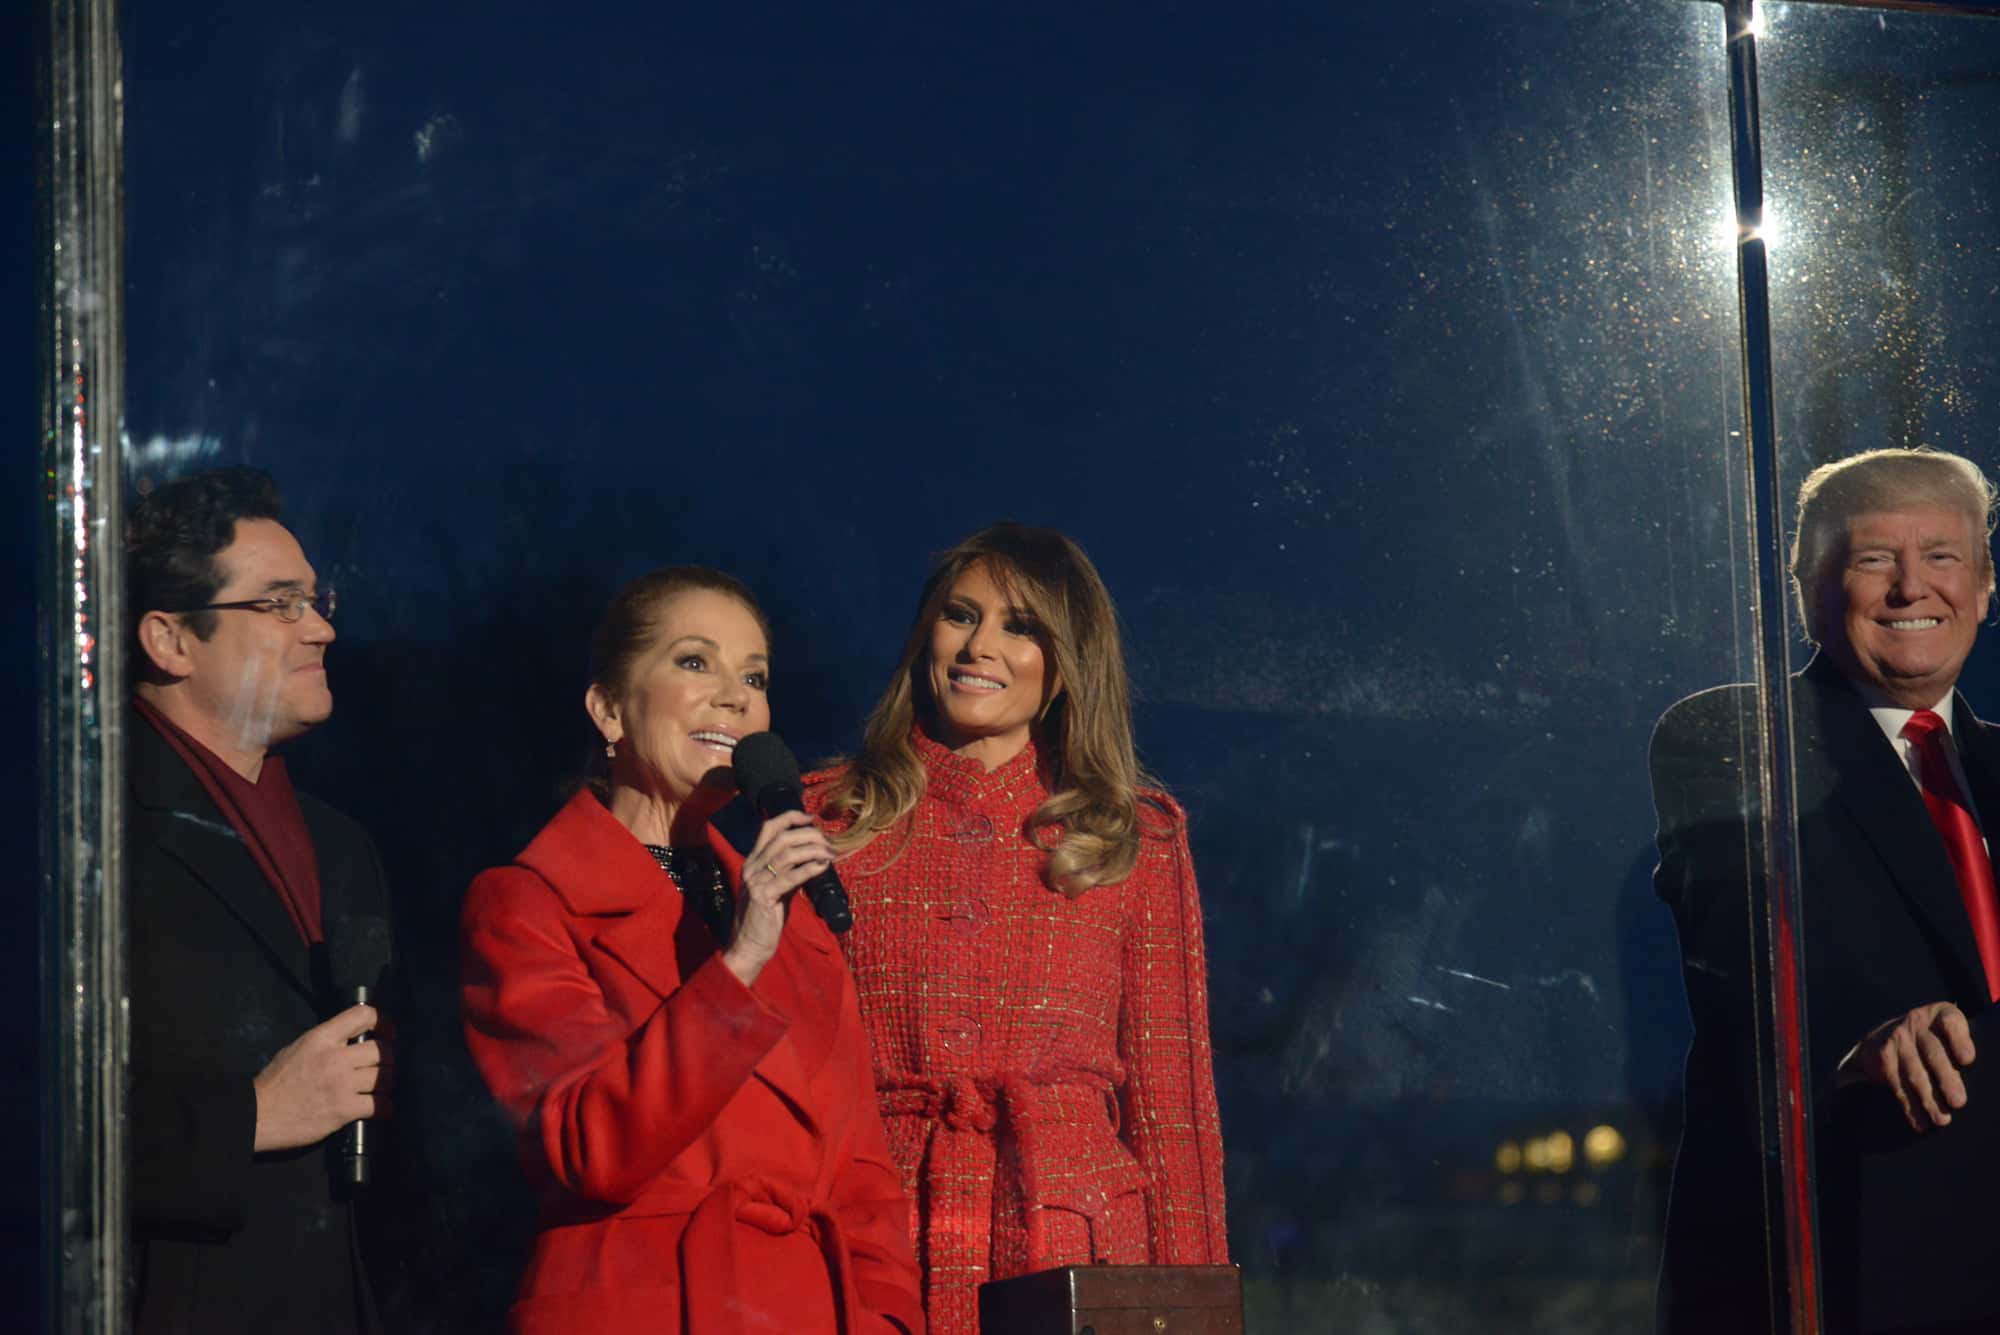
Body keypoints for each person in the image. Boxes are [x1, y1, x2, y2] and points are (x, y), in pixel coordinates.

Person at [460, 566, 924, 1335]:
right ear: (609, 708)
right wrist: (737, 964)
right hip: (645, 1305)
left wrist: (886, 1323)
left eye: (755, 675)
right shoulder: (528, 902)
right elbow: (591, 1145)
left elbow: (865, 1184)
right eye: (694, 661)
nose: (736, 694)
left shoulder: (800, 928)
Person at [809, 523, 1229, 1334]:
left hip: (1077, 1247)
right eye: (960, 614)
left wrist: (1196, 1314)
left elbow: (1172, 1113)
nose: (980, 646)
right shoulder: (831, 818)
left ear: (1069, 662)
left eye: (1021, 625)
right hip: (869, 1243)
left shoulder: (1131, 838)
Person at [1653, 447, 2000, 1333]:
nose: (1911, 587)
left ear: (1986, 586)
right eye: (1875, 557)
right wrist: (1856, 1044)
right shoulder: (1739, 738)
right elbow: (1738, 967)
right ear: (1812, 589)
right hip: (1843, 1272)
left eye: (1944, 556)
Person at [125, 467, 392, 1333]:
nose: (320, 628)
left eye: (316, 600)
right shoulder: (85, 836)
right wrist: (254, 1116)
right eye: (278, 604)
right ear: (169, 639)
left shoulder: (344, 846)